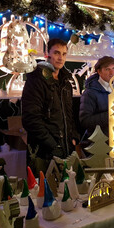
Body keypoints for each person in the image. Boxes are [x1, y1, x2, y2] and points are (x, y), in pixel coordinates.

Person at [22, 38, 79, 176]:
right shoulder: (36, 80)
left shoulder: (66, 83)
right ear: (47, 53)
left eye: (64, 54)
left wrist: (73, 137)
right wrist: (53, 145)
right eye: (57, 53)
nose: (61, 58)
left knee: (67, 192)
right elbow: (30, 119)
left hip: (65, 150)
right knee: (43, 194)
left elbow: (69, 115)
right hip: (43, 153)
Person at [79, 56, 114, 139]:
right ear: (99, 72)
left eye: (113, 68)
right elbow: (85, 121)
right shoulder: (89, 92)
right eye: (107, 69)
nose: (112, 72)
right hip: (99, 142)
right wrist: (110, 116)